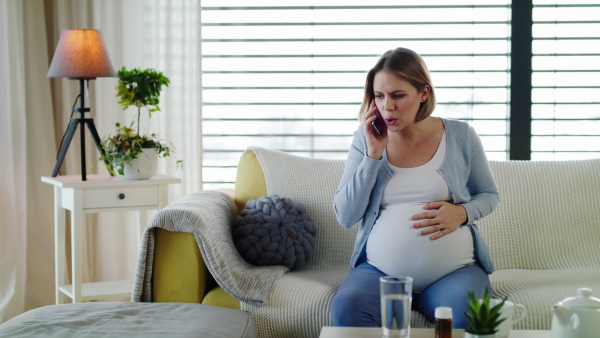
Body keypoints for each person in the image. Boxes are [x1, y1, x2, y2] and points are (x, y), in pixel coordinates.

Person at [330, 47, 499, 328]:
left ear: (423, 93)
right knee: (348, 310)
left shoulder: (460, 136)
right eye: (379, 96)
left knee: (471, 316)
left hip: (454, 272)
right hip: (380, 273)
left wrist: (462, 213)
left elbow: (489, 195)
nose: (387, 107)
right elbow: (345, 216)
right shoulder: (365, 140)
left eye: (398, 95)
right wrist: (373, 155)